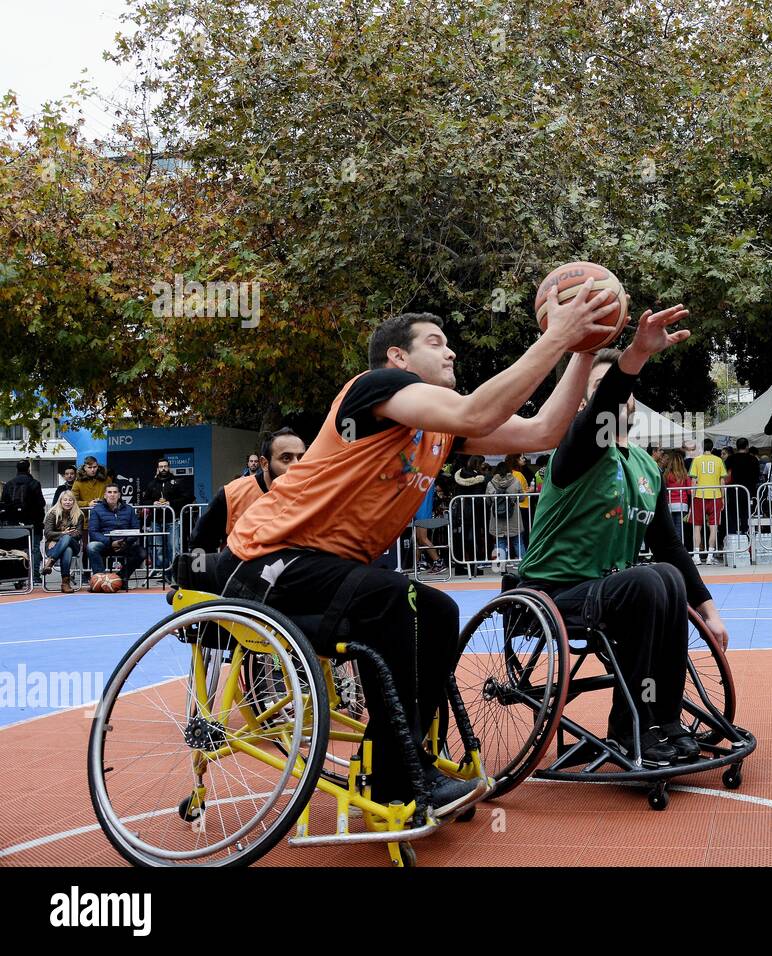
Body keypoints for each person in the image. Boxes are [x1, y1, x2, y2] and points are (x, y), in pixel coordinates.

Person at [214, 291, 622, 813]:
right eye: (436, 342)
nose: (451, 352)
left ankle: (400, 770)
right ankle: (401, 777)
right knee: (398, 600)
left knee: (435, 609)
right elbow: (478, 411)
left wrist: (583, 349)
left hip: (327, 570)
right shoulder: (375, 389)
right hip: (267, 560)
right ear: (399, 358)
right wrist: (556, 336)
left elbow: (545, 430)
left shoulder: (439, 429)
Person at [516, 312, 732, 768]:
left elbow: (672, 548)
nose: (617, 396)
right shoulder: (574, 452)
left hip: (610, 593)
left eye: (623, 388)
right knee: (647, 581)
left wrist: (708, 611)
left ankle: (664, 720)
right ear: (580, 404)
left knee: (664, 572)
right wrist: (634, 354)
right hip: (554, 592)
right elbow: (604, 404)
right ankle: (628, 728)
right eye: (600, 388)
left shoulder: (646, 465)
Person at [189, 428, 307, 553]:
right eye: (286, 458)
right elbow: (199, 545)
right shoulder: (232, 495)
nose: (297, 465)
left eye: (301, 457)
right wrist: (202, 570)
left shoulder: (315, 494)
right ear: (264, 463)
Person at [87, 483, 147, 589]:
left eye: (115, 492)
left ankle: (120, 578)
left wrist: (125, 542)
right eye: (109, 492)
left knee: (141, 553)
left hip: (124, 543)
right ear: (105, 495)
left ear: (119, 495)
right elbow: (93, 532)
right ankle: (101, 581)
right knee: (91, 547)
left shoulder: (129, 509)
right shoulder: (97, 510)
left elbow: (136, 530)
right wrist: (110, 542)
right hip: (105, 544)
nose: (112, 495)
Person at [1, 460, 47, 565]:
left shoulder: (9, 484)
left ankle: (18, 574)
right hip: (33, 522)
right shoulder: (34, 483)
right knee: (34, 548)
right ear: (29, 468)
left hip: (14, 524)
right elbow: (41, 503)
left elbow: (4, 504)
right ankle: (35, 577)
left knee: (16, 549)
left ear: (17, 469)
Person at [688, 438, 726, 564]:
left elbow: (693, 481)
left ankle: (697, 556)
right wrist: (723, 497)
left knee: (697, 527)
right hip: (715, 496)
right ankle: (710, 556)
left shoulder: (697, 460)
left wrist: (692, 497)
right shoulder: (719, 460)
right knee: (714, 527)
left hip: (699, 496)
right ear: (713, 447)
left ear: (702, 447)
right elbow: (722, 481)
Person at [42, 491, 85, 591]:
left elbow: (78, 535)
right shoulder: (52, 513)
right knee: (67, 549)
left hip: (74, 545)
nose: (67, 502)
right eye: (65, 500)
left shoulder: (79, 515)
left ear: (74, 502)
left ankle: (51, 562)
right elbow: (47, 533)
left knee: (67, 539)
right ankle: (65, 583)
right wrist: (63, 534)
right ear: (60, 501)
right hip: (52, 547)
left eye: (70, 500)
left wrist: (61, 536)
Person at [486, 461, 526, 562]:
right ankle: (524, 566)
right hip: (513, 517)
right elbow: (521, 498)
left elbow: (488, 501)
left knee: (500, 542)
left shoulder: (491, 483)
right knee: (518, 542)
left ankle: (502, 568)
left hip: (497, 518)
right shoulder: (515, 481)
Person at [724, 437, 760, 536]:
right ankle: (747, 537)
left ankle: (733, 537)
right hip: (748, 491)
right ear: (747, 446)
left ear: (736, 446)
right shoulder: (753, 459)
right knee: (747, 516)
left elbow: (724, 473)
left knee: (732, 515)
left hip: (733, 491)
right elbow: (757, 476)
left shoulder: (731, 458)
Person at [661, 448, 692, 546]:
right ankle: (679, 549)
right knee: (679, 529)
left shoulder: (666, 475)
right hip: (682, 504)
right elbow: (689, 490)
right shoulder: (684, 475)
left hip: (669, 504)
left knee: (671, 529)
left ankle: (671, 549)